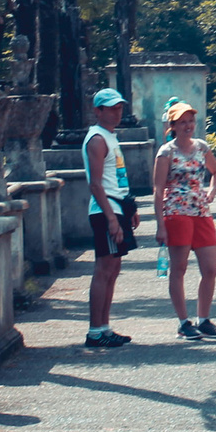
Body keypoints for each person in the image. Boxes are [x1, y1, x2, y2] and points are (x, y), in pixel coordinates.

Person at [152, 101, 216, 339]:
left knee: (210, 268)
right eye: (182, 122)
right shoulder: (166, 152)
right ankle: (184, 322)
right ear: (172, 125)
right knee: (179, 268)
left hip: (201, 212)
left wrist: (212, 192)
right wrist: (160, 224)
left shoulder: (202, 147)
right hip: (176, 212)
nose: (188, 126)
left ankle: (204, 319)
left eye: (191, 121)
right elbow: (158, 187)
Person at [80, 88, 134, 348]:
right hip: (105, 210)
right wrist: (112, 219)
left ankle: (104, 327)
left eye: (119, 107)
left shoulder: (111, 137)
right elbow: (96, 184)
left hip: (117, 207)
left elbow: (116, 179)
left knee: (113, 269)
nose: (117, 112)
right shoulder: (97, 139)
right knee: (104, 269)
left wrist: (129, 209)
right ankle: (94, 331)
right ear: (98, 110)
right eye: (111, 108)